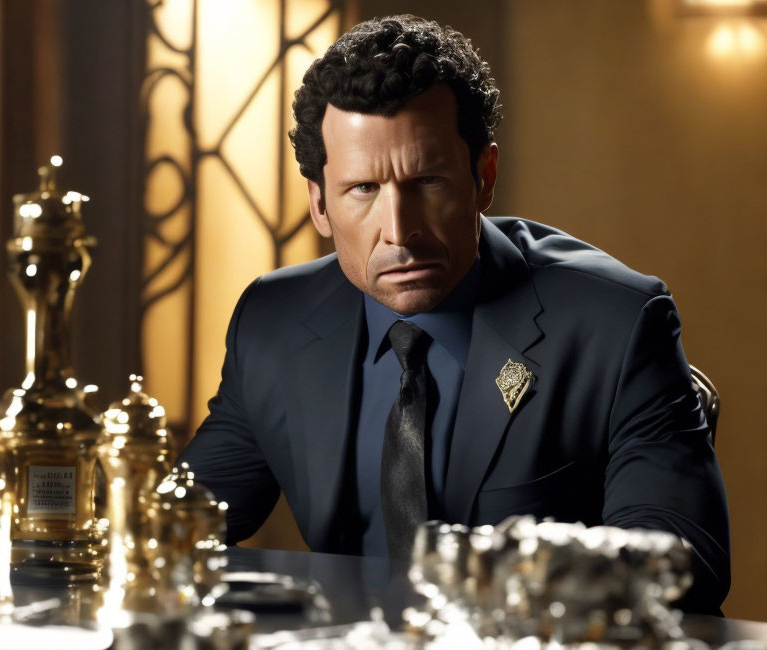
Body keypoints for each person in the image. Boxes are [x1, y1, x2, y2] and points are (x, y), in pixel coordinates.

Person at [179, 15, 730, 614]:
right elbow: (181, 522)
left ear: (483, 177)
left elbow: (681, 562)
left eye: (428, 180)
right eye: (362, 189)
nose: (399, 232)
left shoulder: (614, 322)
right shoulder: (275, 321)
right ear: (319, 203)